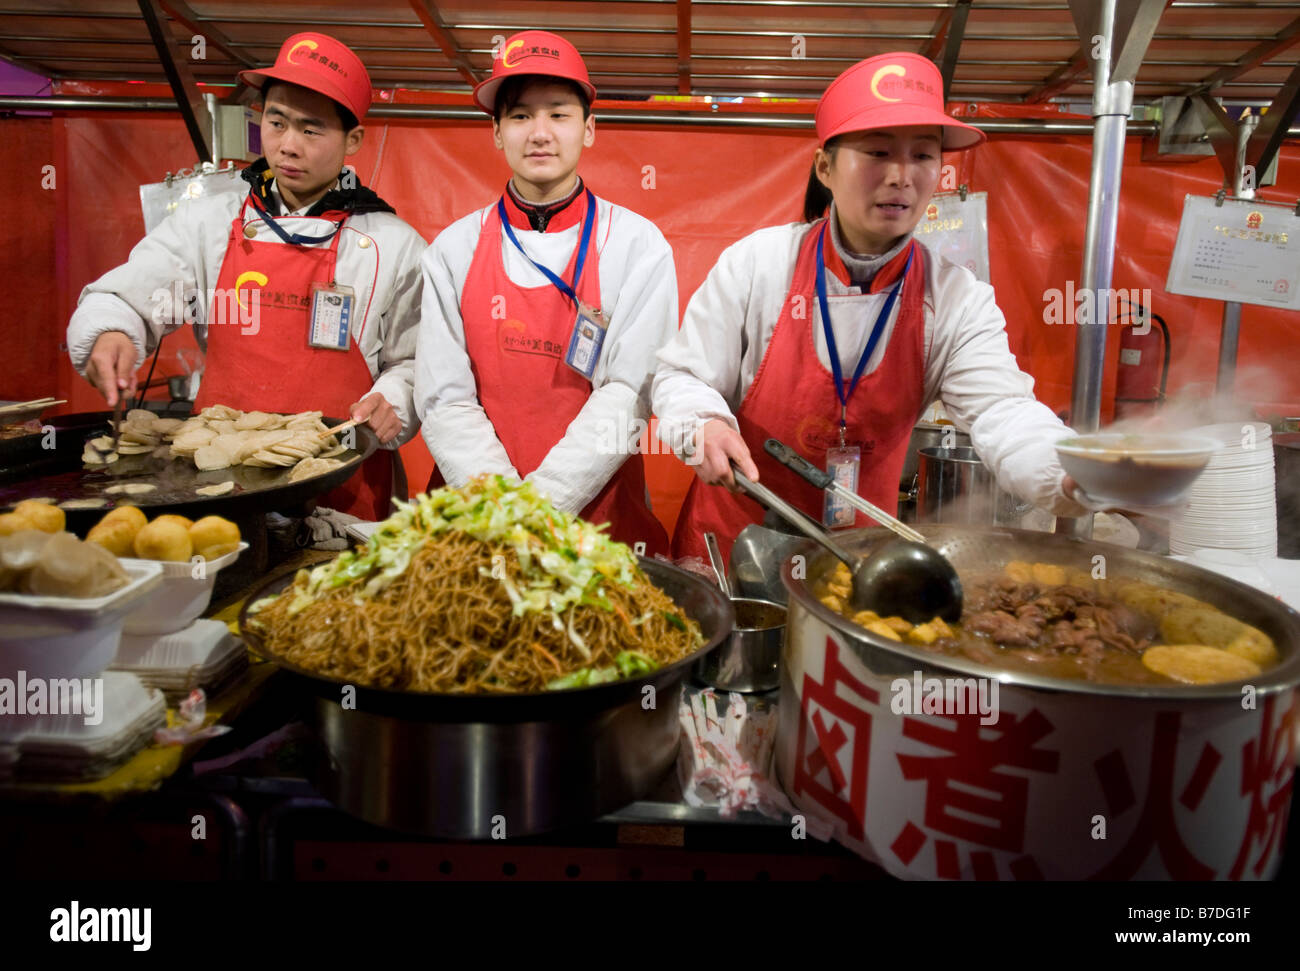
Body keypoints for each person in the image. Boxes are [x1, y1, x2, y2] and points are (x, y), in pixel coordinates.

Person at [652, 52, 1087, 563]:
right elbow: (683, 376)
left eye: (923, 156)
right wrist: (702, 423)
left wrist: (1071, 473)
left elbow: (1003, 411)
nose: (902, 176)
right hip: (734, 539)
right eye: (879, 152)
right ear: (825, 168)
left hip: (857, 557)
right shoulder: (759, 264)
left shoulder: (955, 298)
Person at [67, 32, 427, 520]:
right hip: (218, 484)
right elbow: (132, 296)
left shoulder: (394, 244)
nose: (288, 146)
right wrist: (112, 329)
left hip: (341, 481)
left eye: (312, 130)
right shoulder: (210, 222)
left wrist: (395, 398)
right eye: (276, 122)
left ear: (353, 140)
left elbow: (416, 362)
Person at [413, 30, 675, 556]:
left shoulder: (636, 243)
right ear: (495, 132)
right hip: (475, 514)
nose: (540, 133)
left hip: (596, 517)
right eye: (520, 116)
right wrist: (500, 508)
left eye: (559, 114)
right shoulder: (453, 248)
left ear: (590, 128)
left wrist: (542, 505)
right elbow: (444, 397)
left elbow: (629, 391)